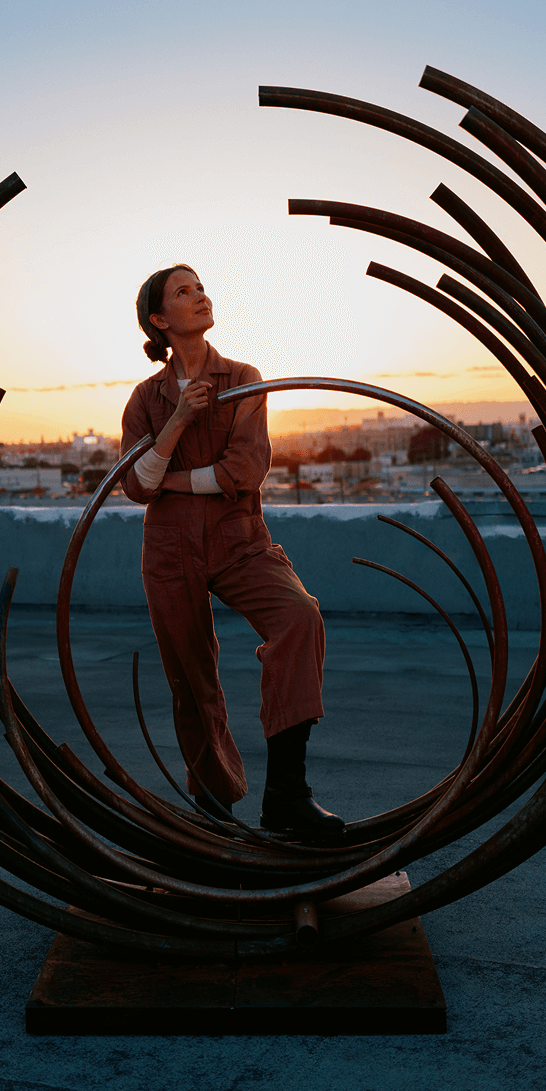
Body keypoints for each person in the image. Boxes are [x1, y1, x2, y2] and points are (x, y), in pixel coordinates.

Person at [119, 264, 344, 838]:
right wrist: (179, 420)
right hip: (170, 552)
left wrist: (169, 478)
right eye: (184, 292)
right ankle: (214, 812)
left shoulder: (244, 379)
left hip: (238, 541)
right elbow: (135, 485)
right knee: (191, 677)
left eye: (200, 288)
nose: (201, 296)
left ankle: (286, 796)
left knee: (299, 617)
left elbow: (244, 470)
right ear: (160, 320)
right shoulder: (146, 400)